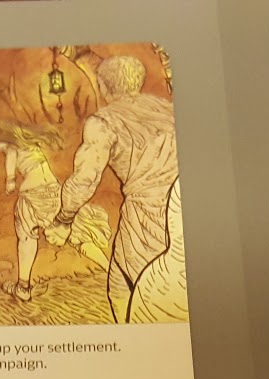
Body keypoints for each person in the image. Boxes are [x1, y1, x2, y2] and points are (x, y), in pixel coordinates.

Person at [48, 55, 184, 323]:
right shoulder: (170, 109)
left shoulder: (103, 123)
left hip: (145, 221)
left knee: (128, 292)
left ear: (103, 87)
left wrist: (63, 219)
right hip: (181, 211)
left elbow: (85, 180)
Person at [0, 119, 110, 302]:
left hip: (32, 195)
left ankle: (23, 287)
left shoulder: (11, 147)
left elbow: (11, 157)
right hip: (54, 192)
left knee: (26, 235)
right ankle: (111, 271)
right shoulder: (32, 145)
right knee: (74, 234)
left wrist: (10, 180)